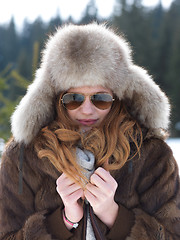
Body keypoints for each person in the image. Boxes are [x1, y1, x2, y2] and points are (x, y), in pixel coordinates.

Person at [0, 23, 179, 240]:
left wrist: (113, 215)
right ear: (56, 99)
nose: (87, 110)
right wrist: (64, 221)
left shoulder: (151, 154)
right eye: (74, 98)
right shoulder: (23, 157)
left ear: (117, 97)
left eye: (100, 98)